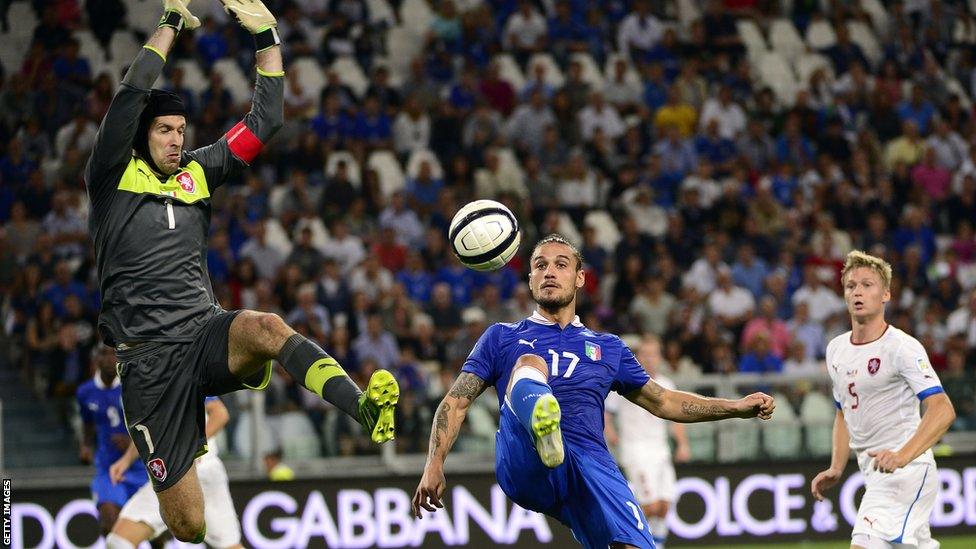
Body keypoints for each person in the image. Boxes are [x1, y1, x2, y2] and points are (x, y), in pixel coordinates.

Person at [84, 0, 398, 542]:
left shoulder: (197, 173)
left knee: (267, 326)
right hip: (147, 364)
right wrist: (169, 26)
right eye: (164, 130)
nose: (177, 139)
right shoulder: (112, 176)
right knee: (188, 525)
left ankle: (364, 409)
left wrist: (267, 38)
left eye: (182, 130)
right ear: (141, 135)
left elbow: (266, 121)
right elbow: (130, 92)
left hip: (202, 332)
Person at [412, 234, 776, 548]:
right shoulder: (502, 337)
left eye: (560, 264)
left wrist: (735, 406)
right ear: (530, 280)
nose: (549, 272)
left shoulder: (608, 347)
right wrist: (434, 464)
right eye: (539, 265)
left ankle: (552, 431)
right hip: (525, 460)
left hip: (590, 464)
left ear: (580, 278)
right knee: (530, 364)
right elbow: (455, 403)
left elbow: (663, 400)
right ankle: (543, 424)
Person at [811, 251, 956, 549]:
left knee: (862, 543)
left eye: (867, 285)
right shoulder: (836, 350)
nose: (858, 292)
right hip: (874, 473)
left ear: (886, 294)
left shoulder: (902, 347)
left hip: (907, 472)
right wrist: (837, 467)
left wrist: (903, 455)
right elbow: (843, 413)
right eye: (851, 286)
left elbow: (943, 409)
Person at [108, 398, 242, 549]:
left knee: (119, 541)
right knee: (230, 546)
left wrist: (192, 448)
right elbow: (146, 431)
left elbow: (220, 413)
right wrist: (126, 460)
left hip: (179, 472)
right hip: (208, 469)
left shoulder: (161, 377)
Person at [605, 334, 691, 549]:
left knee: (664, 506)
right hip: (635, 450)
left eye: (653, 354)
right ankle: (627, 542)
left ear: (660, 357)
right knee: (649, 506)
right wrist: (610, 433)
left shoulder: (666, 384)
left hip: (660, 450)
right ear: (638, 357)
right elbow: (606, 412)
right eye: (645, 354)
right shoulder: (625, 382)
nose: (649, 359)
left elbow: (675, 418)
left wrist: (682, 443)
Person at [77, 346, 148, 538]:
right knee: (109, 522)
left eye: (113, 353)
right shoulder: (85, 392)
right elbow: (87, 423)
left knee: (151, 531)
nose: (109, 358)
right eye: (103, 353)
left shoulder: (133, 386)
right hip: (108, 467)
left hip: (140, 467)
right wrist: (85, 445)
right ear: (95, 359)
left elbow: (150, 421)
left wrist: (133, 443)